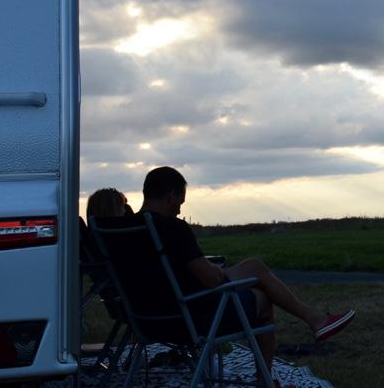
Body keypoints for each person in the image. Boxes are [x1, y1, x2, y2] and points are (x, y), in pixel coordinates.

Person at [135, 166, 355, 388]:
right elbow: (211, 281)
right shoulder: (170, 227)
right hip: (192, 317)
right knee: (261, 295)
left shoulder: (122, 230)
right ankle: (266, 378)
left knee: (253, 267)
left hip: (144, 318)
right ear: (171, 195)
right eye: (180, 203)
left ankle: (316, 321)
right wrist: (215, 270)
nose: (179, 211)